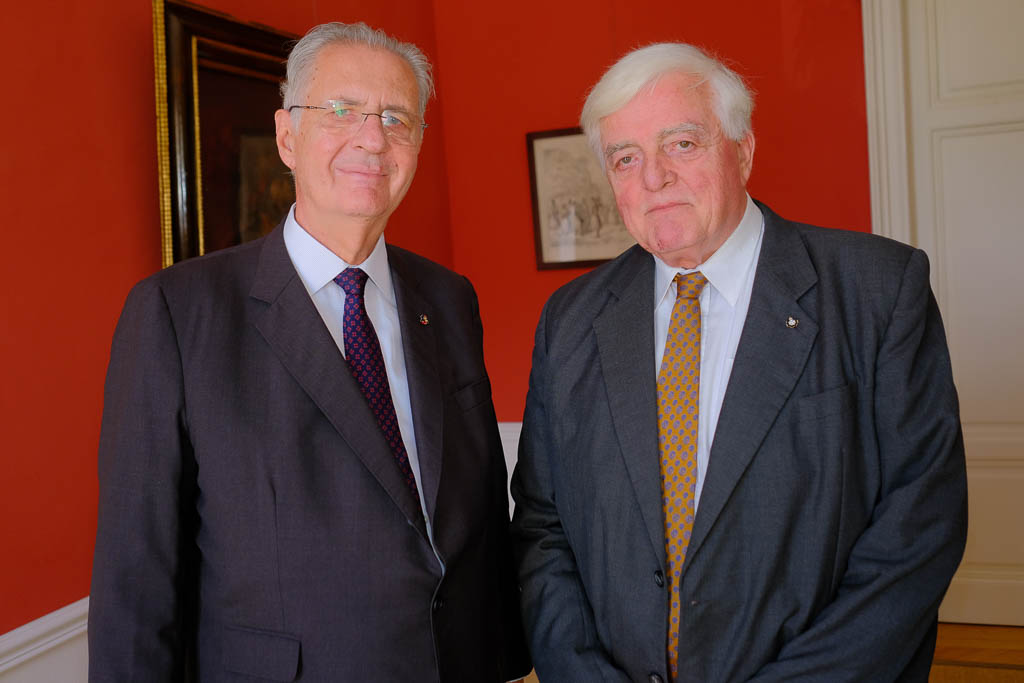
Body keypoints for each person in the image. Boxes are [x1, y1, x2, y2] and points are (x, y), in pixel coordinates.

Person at [511, 42, 966, 683]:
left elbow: (920, 528)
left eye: (681, 144)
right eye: (625, 157)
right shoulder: (571, 320)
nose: (653, 178)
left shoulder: (877, 290)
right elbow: (543, 526)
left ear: (743, 151)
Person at [89, 22, 529, 682]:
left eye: (396, 118)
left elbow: (480, 508)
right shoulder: (177, 314)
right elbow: (136, 577)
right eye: (342, 110)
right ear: (287, 137)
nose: (372, 138)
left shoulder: (448, 298)